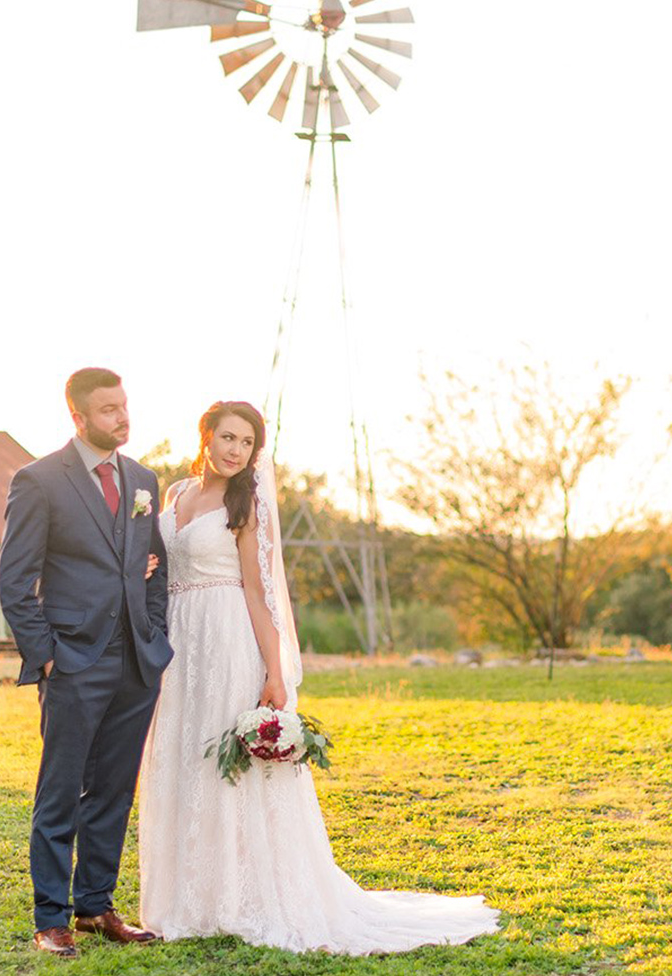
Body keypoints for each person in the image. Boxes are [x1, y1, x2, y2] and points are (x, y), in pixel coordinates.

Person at [137, 400, 500, 953]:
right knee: (184, 758)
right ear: (205, 436)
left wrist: (275, 672)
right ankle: (189, 897)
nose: (236, 451)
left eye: (247, 443)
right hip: (179, 642)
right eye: (227, 438)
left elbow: (259, 595)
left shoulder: (249, 500)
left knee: (227, 766)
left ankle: (240, 898)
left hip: (229, 637)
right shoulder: (175, 495)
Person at [0, 367, 172, 958]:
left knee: (115, 791)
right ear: (77, 417)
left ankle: (96, 906)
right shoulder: (39, 480)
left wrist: (156, 637)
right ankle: (51, 918)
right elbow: (15, 582)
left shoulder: (144, 479)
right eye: (108, 411)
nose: (122, 418)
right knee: (61, 790)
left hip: (136, 662)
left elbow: (155, 568)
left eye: (124, 406)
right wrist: (47, 658)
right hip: (72, 662)